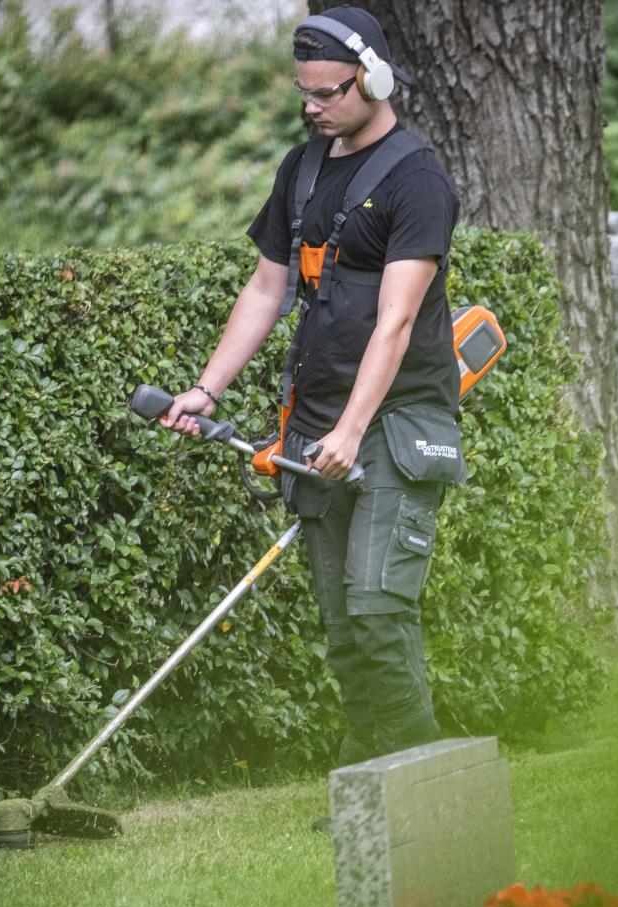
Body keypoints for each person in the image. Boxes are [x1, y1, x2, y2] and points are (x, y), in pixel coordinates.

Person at [160, 6, 463, 769]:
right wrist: (207, 389)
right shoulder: (302, 168)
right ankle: (370, 785)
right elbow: (268, 288)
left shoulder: (418, 180)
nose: (311, 106)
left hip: (392, 426)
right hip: (319, 426)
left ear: (375, 80)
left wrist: (353, 433)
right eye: (305, 92)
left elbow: (395, 324)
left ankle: (430, 783)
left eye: (327, 92)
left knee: (377, 610)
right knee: (341, 622)